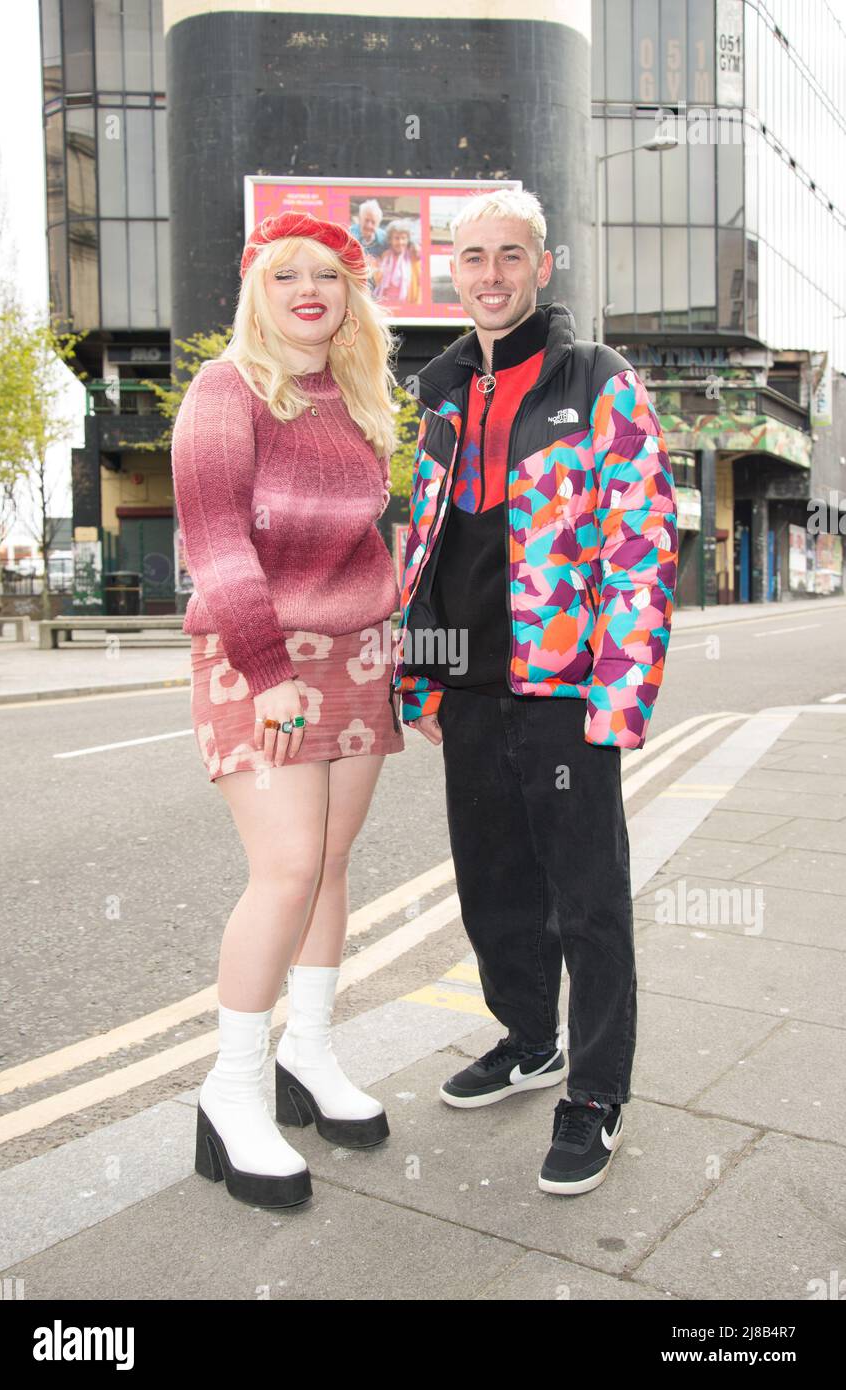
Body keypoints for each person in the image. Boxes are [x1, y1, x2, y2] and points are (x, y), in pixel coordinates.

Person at [390, 187, 678, 1196]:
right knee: (493, 890)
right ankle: (527, 1039)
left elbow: (641, 542)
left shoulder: (596, 380)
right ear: (450, 271)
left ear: (541, 265)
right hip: (468, 689)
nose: (489, 275)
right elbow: (424, 543)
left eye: (508, 255)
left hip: (563, 691)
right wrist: (417, 677)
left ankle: (593, 1092)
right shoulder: (434, 388)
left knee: (585, 900)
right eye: (471, 257)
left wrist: (619, 692)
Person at [171, 212, 405, 1209]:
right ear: (255, 292)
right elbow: (216, 541)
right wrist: (268, 669)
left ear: (350, 296)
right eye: (285, 275)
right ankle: (234, 1086)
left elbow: (369, 540)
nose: (309, 287)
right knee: (287, 867)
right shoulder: (224, 391)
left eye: (328, 274)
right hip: (256, 654)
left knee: (334, 865)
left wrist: (400, 654)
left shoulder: (356, 394)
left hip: (355, 653)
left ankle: (307, 1050)